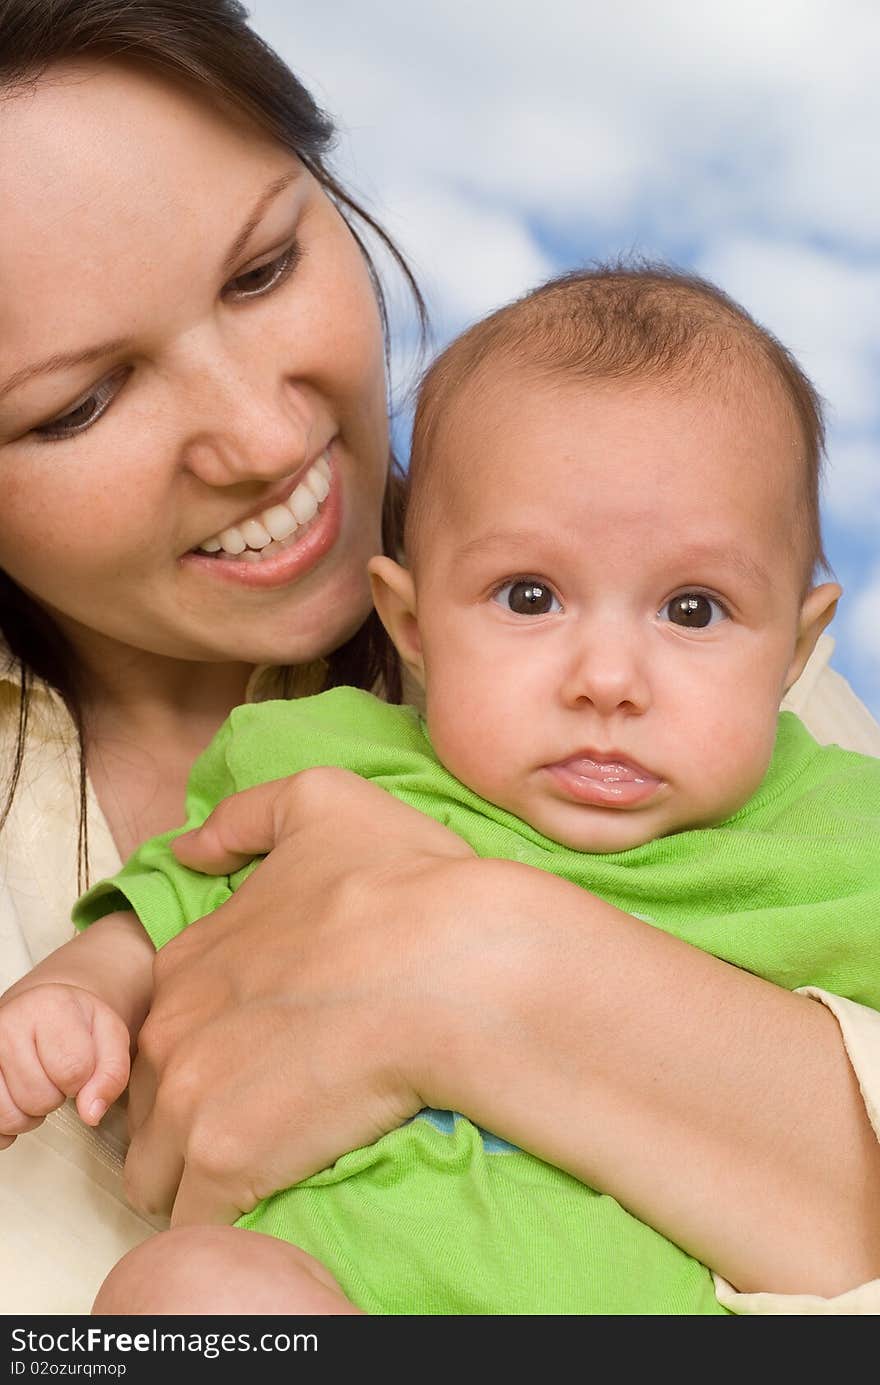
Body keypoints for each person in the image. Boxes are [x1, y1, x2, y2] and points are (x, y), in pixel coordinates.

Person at [1, 0, 880, 1318]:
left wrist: (476, 967)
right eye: (79, 402)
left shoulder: (729, 698)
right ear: (413, 619)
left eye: (261, 271)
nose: (256, 437)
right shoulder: (305, 763)